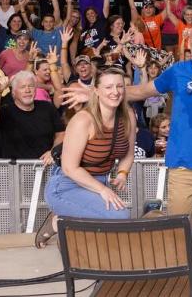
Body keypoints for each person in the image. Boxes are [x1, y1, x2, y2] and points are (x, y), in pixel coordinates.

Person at [62, 20, 192, 221]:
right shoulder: (177, 71)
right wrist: (95, 93)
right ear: (189, 44)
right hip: (183, 167)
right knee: (178, 229)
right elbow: (142, 91)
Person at [36, 66, 135, 248]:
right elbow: (69, 168)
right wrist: (103, 190)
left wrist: (122, 173)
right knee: (121, 217)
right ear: (95, 91)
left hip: (98, 183)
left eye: (120, 87)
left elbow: (128, 152)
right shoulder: (83, 120)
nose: (115, 92)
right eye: (109, 87)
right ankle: (60, 222)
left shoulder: (127, 115)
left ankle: (66, 223)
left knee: (111, 226)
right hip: (67, 186)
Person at [0, 70, 65, 162]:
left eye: (31, 86)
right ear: (13, 93)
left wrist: (53, 152)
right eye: (22, 87)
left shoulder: (47, 107)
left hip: (45, 167)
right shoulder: (5, 111)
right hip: (15, 170)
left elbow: (61, 133)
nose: (27, 90)